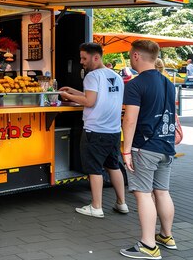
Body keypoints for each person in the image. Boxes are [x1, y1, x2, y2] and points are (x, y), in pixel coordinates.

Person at [119, 40, 177, 259]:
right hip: (166, 145)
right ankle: (166, 236)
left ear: (136, 56)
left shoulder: (135, 84)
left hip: (144, 147)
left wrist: (126, 151)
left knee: (143, 194)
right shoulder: (168, 83)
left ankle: (148, 245)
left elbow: (130, 120)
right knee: (162, 192)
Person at [59, 43, 128, 218]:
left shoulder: (92, 76)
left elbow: (89, 102)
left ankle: (96, 206)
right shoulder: (115, 76)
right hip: (113, 130)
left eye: (84, 58)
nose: (81, 62)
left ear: (95, 57)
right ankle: (122, 203)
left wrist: (67, 96)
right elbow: (97, 96)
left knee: (94, 169)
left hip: (95, 130)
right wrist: (73, 91)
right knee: (113, 166)